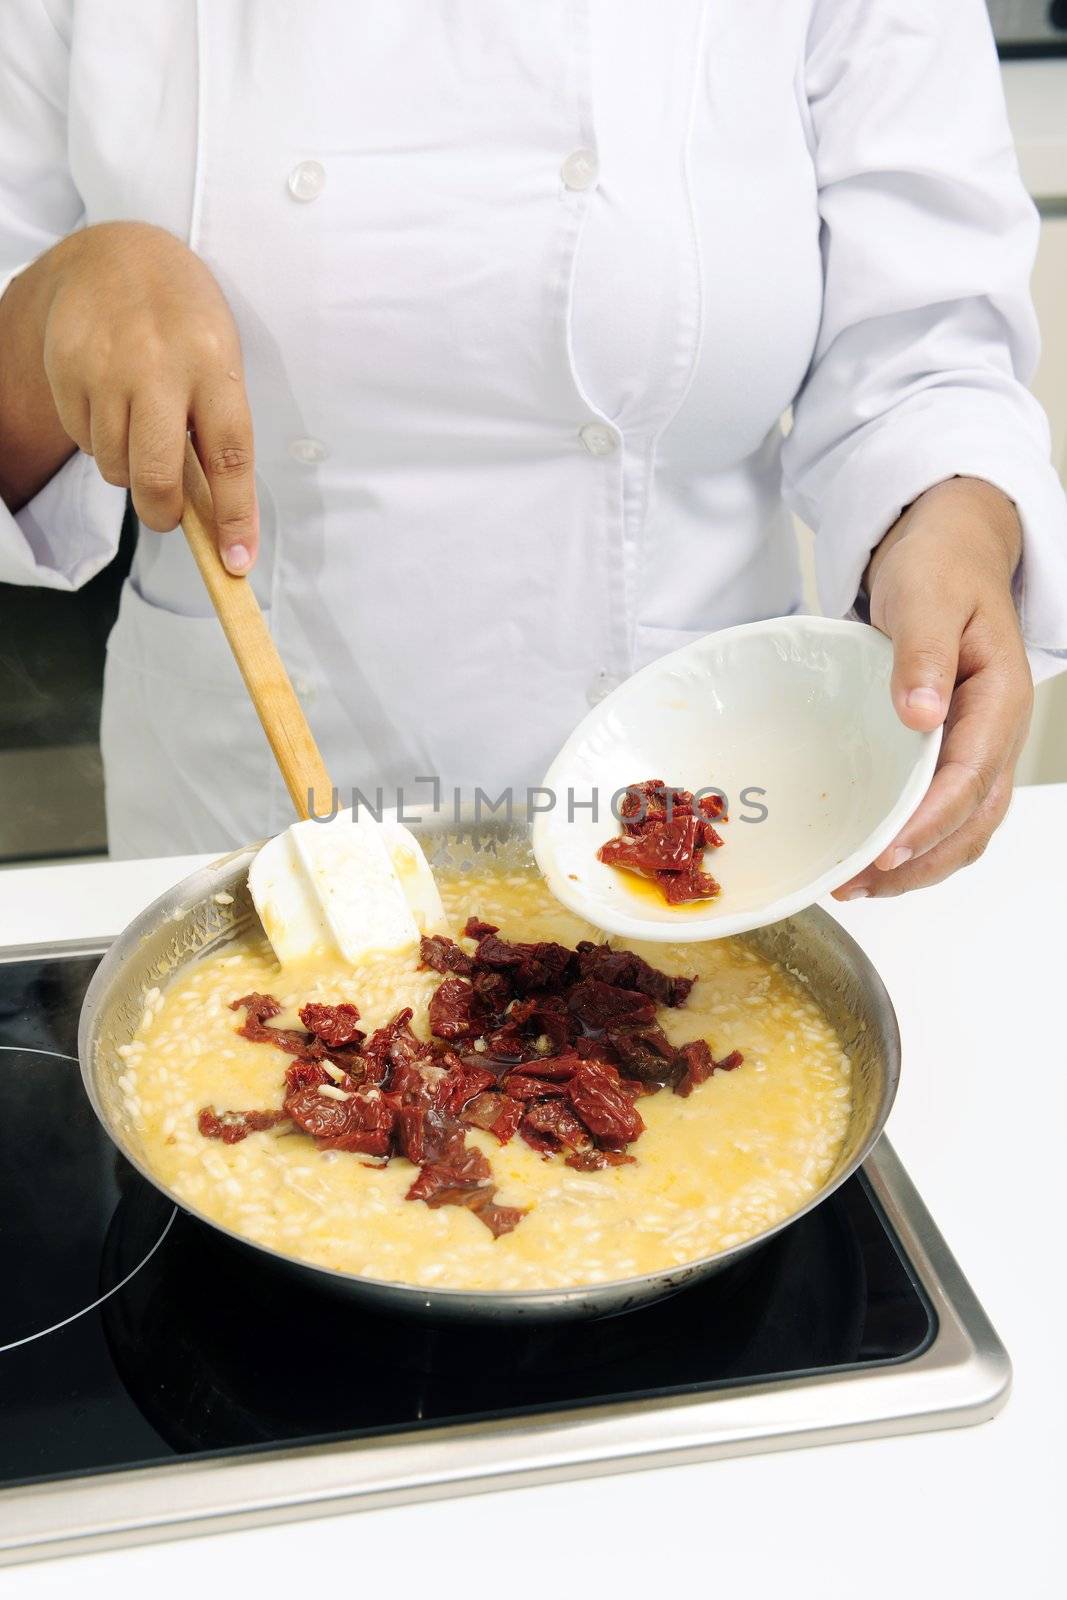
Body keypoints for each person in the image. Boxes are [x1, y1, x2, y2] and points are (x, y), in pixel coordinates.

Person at [1, 0, 1065, 900]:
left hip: (707, 814)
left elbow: (922, 358)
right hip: (247, 838)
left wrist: (955, 524)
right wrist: (59, 297)